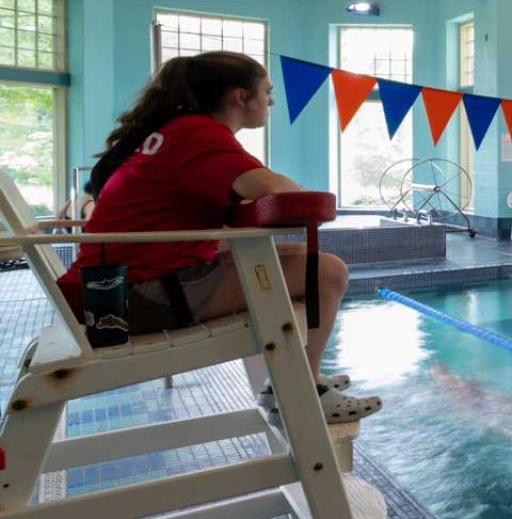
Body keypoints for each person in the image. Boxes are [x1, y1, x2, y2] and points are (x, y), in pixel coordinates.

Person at [57, 52, 381, 423]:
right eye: (266, 91)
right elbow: (288, 195)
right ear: (239, 97)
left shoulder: (175, 131)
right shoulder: (201, 135)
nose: (271, 101)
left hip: (109, 291)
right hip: (131, 299)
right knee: (328, 272)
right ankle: (302, 391)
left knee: (296, 257)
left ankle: (294, 378)